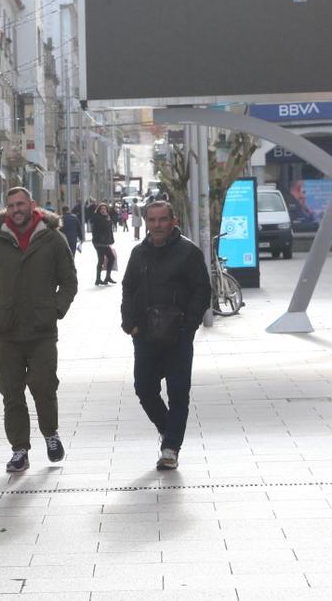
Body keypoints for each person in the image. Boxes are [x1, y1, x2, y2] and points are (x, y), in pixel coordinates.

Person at [0, 187, 78, 473]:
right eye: (11, 206)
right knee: (11, 392)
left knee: (44, 387)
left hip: (41, 329)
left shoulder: (52, 239)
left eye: (20, 204)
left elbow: (69, 280)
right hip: (6, 331)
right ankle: (19, 450)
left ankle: (50, 433)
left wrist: (55, 309)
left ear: (32, 205)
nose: (16, 210)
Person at [120, 201, 211, 471]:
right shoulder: (138, 253)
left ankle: (170, 448)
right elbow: (128, 288)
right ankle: (167, 428)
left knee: (178, 391)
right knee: (144, 388)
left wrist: (189, 325)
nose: (157, 225)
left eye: (162, 219)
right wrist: (130, 324)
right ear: (146, 222)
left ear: (173, 221)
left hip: (178, 335)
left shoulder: (188, 252)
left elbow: (202, 290)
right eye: (152, 220)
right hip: (145, 334)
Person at [90, 202, 117, 286]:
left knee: (111, 258)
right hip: (99, 242)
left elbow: (109, 230)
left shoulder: (106, 217)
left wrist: (111, 240)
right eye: (101, 209)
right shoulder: (97, 217)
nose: (103, 210)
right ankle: (98, 279)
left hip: (105, 242)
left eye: (105, 209)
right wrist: (108, 220)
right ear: (99, 210)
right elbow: (104, 226)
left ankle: (107, 277)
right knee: (101, 260)